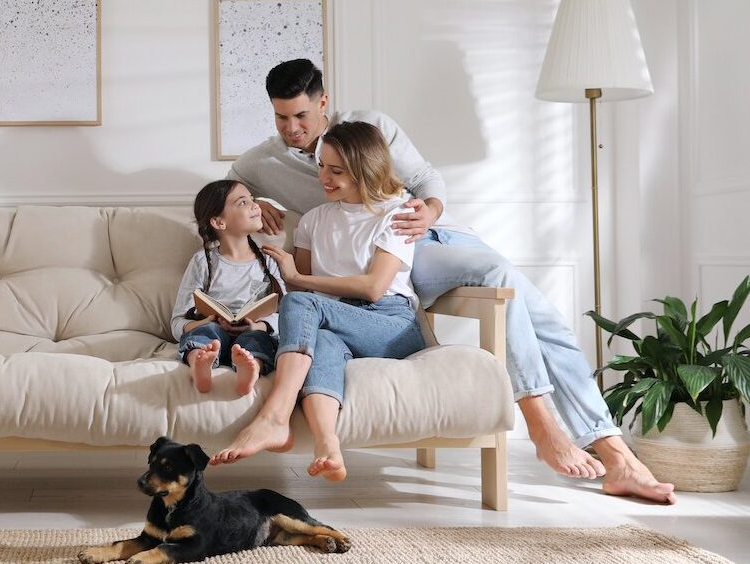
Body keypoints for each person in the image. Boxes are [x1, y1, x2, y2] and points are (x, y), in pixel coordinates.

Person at [220, 58, 675, 504]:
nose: (292, 127)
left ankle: (583, 441)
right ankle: (602, 453)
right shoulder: (268, 161)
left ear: (324, 102)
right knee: (519, 298)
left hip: (424, 238)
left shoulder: (368, 127)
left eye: (301, 114)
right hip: (379, 263)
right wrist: (256, 202)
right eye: (281, 117)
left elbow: (424, 179)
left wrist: (427, 214)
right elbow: (230, 184)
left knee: (538, 314)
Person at [213, 121, 426, 481]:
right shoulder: (313, 220)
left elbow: (375, 287)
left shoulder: (398, 214)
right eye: (322, 166)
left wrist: (296, 278)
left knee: (305, 305)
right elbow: (301, 300)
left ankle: (274, 416)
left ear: (364, 169)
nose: (323, 177)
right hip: (336, 323)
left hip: (389, 324)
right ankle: (328, 445)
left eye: (336, 170)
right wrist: (271, 299)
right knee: (321, 340)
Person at [171, 180, 286, 395]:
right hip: (213, 333)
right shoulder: (202, 262)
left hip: (252, 332)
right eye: (243, 202)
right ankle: (200, 362)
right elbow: (177, 321)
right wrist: (205, 322)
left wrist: (258, 327)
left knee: (257, 341)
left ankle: (250, 369)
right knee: (207, 332)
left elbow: (287, 316)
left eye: (253, 199)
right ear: (219, 222)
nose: (255, 206)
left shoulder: (268, 261)